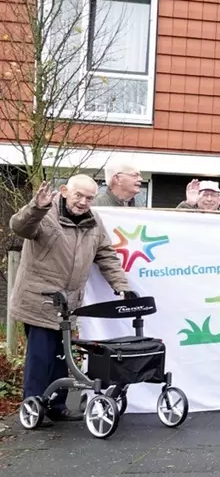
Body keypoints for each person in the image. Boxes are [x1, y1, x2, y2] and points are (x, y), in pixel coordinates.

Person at [10, 176, 132, 421]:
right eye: (79, 195)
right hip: (39, 300)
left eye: (89, 197)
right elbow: (20, 227)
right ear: (64, 191)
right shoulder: (44, 212)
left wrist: (121, 286)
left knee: (61, 357)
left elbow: (106, 256)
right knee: (40, 357)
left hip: (68, 304)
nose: (83, 202)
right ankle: (33, 407)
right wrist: (37, 206)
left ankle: (57, 407)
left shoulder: (94, 222)